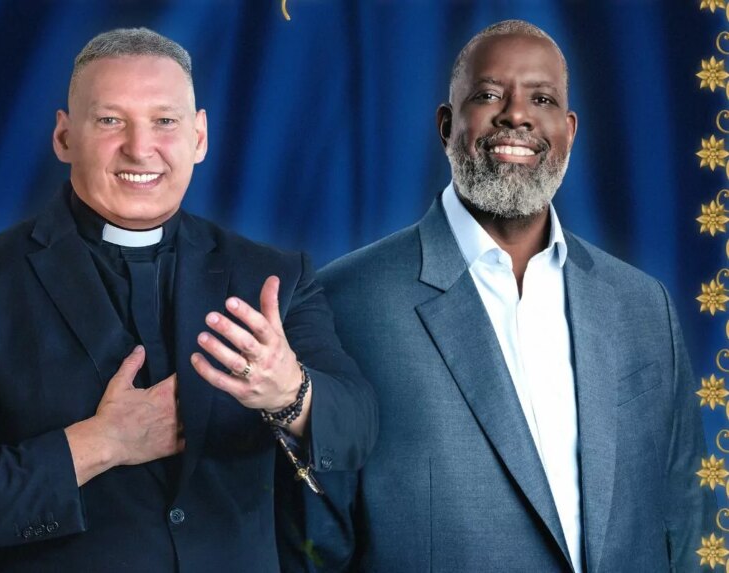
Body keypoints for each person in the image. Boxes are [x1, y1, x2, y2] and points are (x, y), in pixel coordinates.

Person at [0, 28, 377, 572]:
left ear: (199, 137)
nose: (140, 148)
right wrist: (101, 443)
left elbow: (358, 427)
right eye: (109, 120)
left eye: (164, 121)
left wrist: (291, 392)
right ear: (64, 137)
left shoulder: (273, 277)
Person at [302, 19, 710, 572]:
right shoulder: (346, 303)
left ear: (568, 131)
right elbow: (315, 540)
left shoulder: (643, 306)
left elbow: (685, 518)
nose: (517, 115)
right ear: (446, 125)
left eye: (541, 99)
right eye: (489, 95)